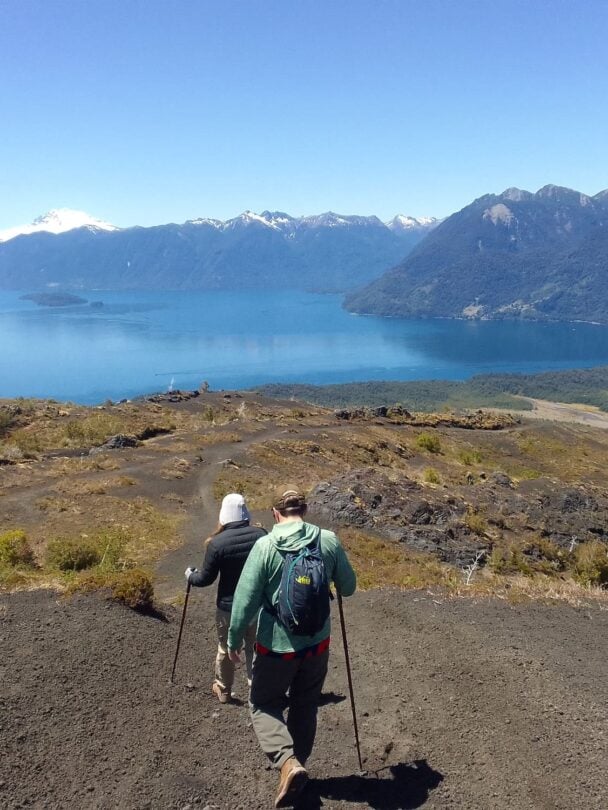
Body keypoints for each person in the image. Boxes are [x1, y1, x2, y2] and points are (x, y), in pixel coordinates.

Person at [227, 485, 356, 808]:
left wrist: (233, 639)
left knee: (263, 702)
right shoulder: (327, 540)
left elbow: (244, 602)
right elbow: (349, 588)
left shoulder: (266, 546)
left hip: (276, 647)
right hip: (317, 644)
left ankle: (287, 762)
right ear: (305, 510)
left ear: (275, 514)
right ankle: (298, 764)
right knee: (305, 703)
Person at [185, 493, 266, 704]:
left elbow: (205, 579)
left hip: (228, 608)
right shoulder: (261, 535)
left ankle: (223, 689)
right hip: (258, 605)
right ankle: (256, 689)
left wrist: (190, 575)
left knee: (227, 647)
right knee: (255, 647)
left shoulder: (217, 543)